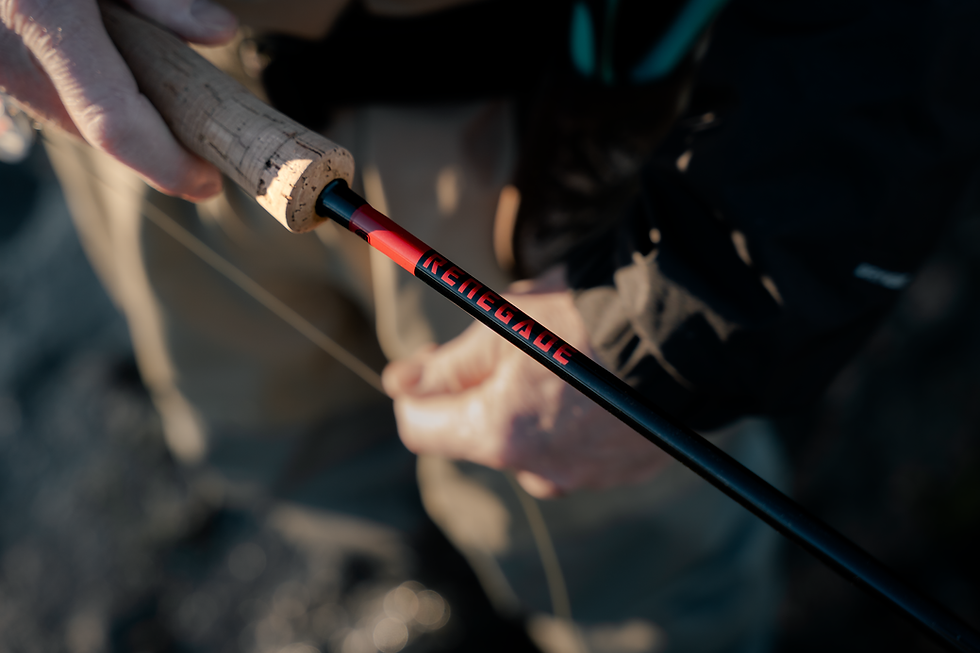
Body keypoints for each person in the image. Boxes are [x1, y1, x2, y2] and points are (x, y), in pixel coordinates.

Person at [2, 1, 978, 652]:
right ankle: (429, 586)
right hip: (114, 75)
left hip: (524, 109)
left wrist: (679, 311)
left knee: (626, 559)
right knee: (271, 436)